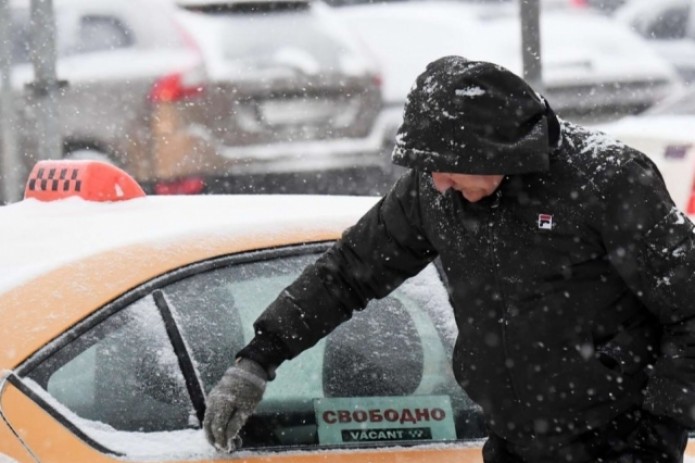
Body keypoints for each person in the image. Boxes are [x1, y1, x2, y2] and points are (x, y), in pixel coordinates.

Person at [202, 56, 695, 462]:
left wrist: (658, 430)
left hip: (617, 444)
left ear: (497, 150)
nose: (436, 182)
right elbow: (348, 272)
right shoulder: (435, 193)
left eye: (443, 166)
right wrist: (260, 358)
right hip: (514, 442)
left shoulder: (608, 181)